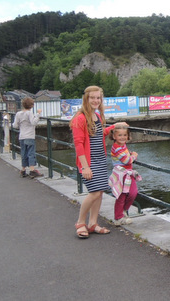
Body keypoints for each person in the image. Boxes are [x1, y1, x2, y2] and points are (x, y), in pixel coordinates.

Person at [70, 85, 128, 239]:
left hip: (101, 159)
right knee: (94, 192)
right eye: (92, 98)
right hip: (89, 162)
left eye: (98, 98)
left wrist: (114, 126)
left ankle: (93, 223)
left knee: (100, 192)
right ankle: (81, 223)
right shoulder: (80, 118)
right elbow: (79, 144)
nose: (95, 100)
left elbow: (98, 134)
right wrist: (85, 167)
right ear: (86, 99)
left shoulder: (97, 116)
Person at [108, 124, 141, 226]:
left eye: (124, 135)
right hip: (121, 173)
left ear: (127, 136)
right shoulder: (116, 147)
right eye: (120, 135)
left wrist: (129, 153)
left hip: (128, 173)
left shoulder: (122, 146)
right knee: (122, 195)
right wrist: (134, 156)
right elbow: (126, 160)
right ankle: (118, 217)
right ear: (114, 137)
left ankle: (124, 211)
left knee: (133, 193)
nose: (122, 137)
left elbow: (125, 154)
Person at [12, 97, 43, 178]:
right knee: (31, 153)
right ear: (31, 106)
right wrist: (38, 114)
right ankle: (32, 170)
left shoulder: (18, 113)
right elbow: (34, 122)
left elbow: (15, 125)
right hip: (29, 136)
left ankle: (23, 170)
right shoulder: (29, 113)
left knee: (24, 153)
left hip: (22, 136)